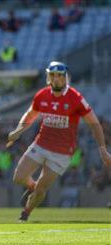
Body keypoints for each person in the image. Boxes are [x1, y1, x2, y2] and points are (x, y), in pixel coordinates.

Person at [6, 61, 111, 221]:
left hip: (62, 152)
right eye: (52, 75)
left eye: (59, 76)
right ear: (48, 77)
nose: (56, 79)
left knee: (42, 188)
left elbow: (94, 123)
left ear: (65, 78)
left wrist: (102, 148)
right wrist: (18, 130)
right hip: (40, 145)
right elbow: (29, 115)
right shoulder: (42, 95)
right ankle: (32, 187)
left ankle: (26, 213)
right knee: (18, 177)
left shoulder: (75, 98)